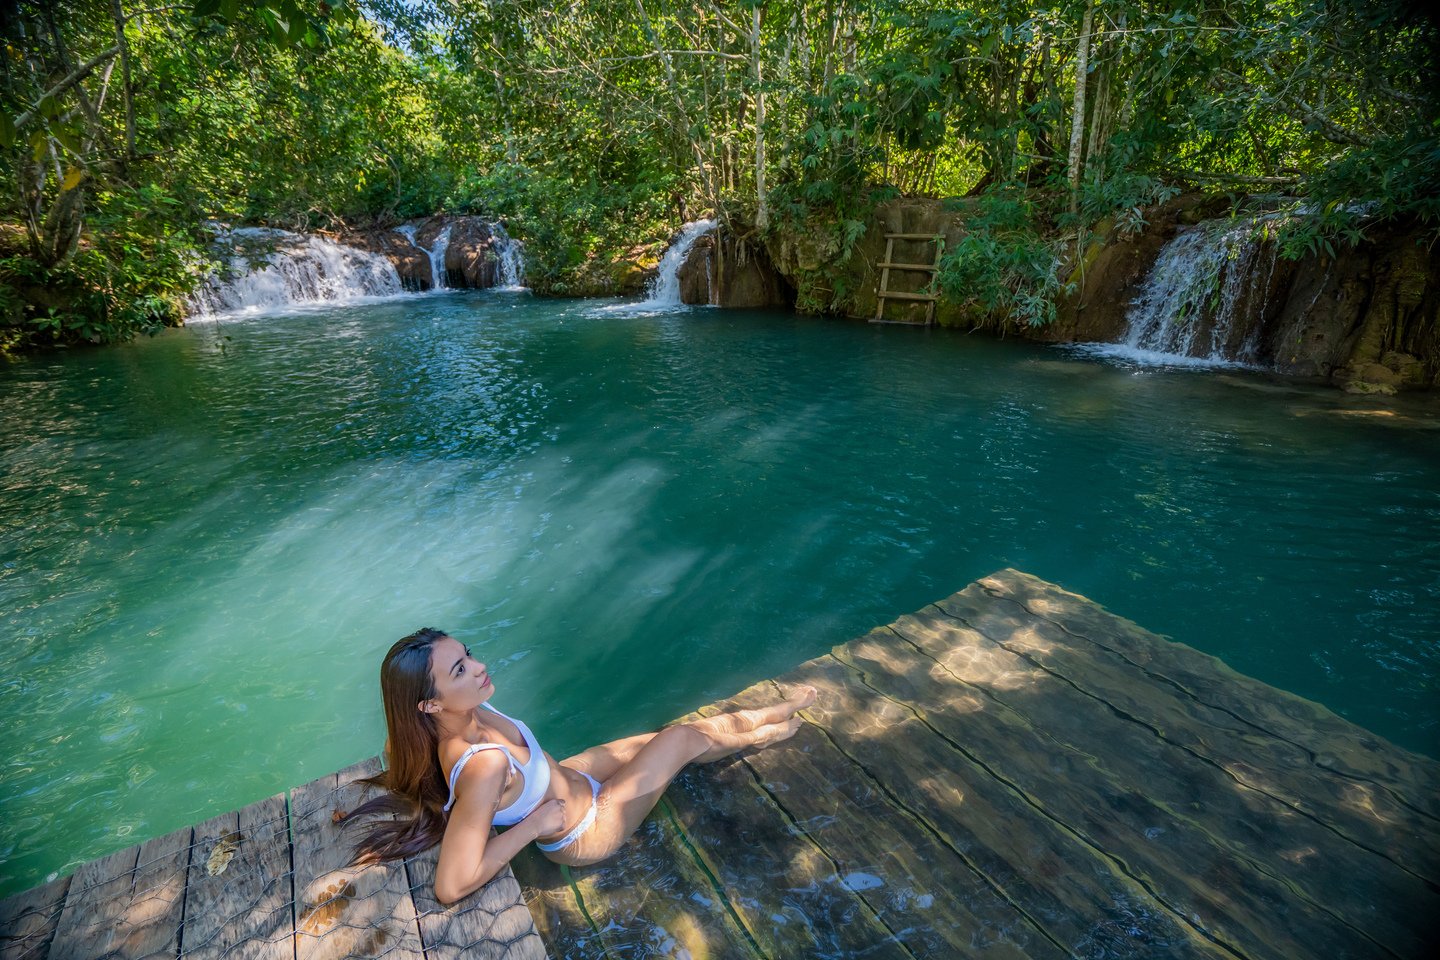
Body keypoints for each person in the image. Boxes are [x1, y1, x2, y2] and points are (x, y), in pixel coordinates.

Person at [345, 627, 816, 905]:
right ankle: (768, 730)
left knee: (660, 738)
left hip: (568, 777)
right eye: (461, 671)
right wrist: (533, 827)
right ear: (428, 705)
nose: (479, 665)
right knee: (679, 740)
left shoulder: (455, 715)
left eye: (466, 655)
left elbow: (398, 738)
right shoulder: (483, 768)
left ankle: (767, 713)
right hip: (586, 828)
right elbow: (450, 885)